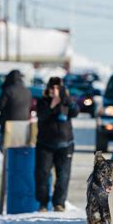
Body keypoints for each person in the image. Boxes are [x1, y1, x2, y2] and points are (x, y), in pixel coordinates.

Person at [35, 77, 79, 212]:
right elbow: (41, 116)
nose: (54, 91)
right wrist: (52, 104)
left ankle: (59, 203)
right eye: (52, 88)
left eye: (57, 88)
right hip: (45, 143)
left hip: (65, 144)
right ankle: (42, 203)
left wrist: (66, 100)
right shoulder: (43, 102)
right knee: (42, 174)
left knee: (63, 175)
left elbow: (76, 111)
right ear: (48, 89)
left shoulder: (67, 101)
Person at [0, 69, 32, 152]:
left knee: (5, 146)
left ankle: (8, 163)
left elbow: (0, 105)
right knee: (19, 147)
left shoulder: (8, 90)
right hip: (24, 123)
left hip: (8, 122)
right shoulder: (27, 91)